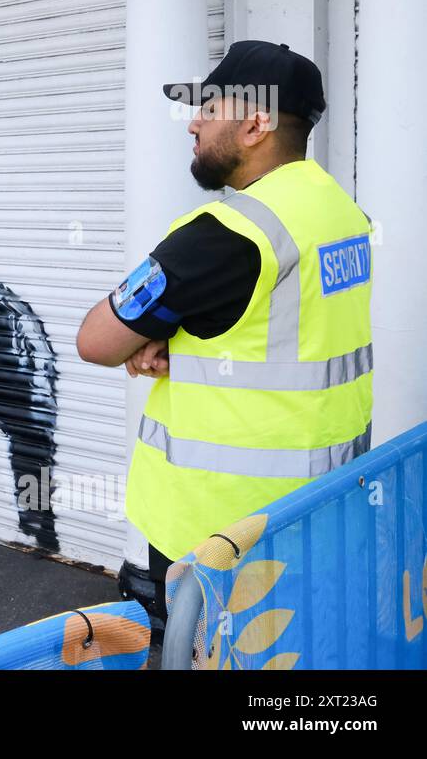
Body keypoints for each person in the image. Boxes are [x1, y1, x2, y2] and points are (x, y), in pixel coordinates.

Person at [75, 41, 373, 638]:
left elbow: (96, 340)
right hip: (322, 506)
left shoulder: (226, 234)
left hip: (219, 535)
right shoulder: (339, 212)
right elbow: (280, 327)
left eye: (208, 108)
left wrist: (150, 337)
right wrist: (177, 336)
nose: (193, 122)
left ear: (257, 123)